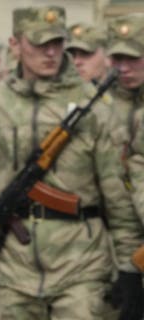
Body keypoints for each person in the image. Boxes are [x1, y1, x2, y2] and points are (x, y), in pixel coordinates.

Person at [0, 6, 144, 319]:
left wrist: (128, 266)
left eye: (57, 43)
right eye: (39, 44)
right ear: (15, 44)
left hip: (82, 266)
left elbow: (118, 197)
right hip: (10, 265)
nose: (50, 52)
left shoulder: (96, 107)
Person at [116, 13, 144, 320]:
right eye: (118, 59)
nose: (124, 68)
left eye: (133, 59)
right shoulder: (100, 109)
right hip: (117, 244)